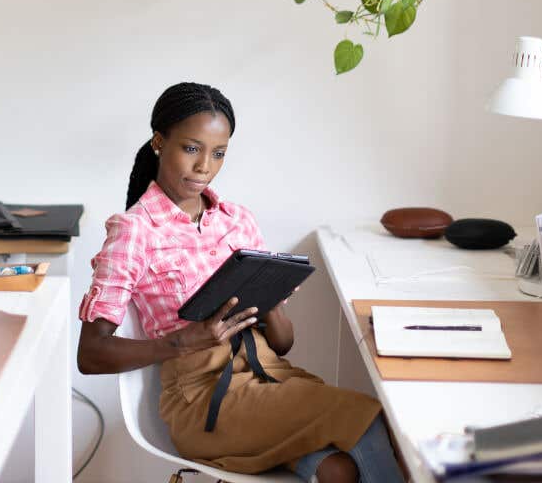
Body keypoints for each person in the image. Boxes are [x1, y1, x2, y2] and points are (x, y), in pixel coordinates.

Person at [76, 83, 406, 483]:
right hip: (202, 401)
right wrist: (183, 341)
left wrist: (272, 299)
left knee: (338, 470)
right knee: (366, 415)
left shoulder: (237, 220)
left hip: (267, 376)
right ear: (159, 142)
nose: (204, 167)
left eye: (218, 154)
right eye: (191, 148)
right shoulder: (134, 231)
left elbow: (282, 344)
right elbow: (90, 355)